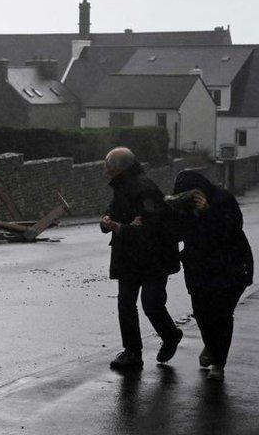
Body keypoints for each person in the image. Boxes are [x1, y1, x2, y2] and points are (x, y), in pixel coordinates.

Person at [100, 147, 183, 370]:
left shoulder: (145, 189)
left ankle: (171, 335)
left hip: (155, 257)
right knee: (125, 303)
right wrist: (107, 221)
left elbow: (150, 228)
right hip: (129, 257)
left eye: (111, 166)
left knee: (152, 304)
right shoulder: (121, 187)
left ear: (122, 168)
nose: (107, 171)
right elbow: (114, 213)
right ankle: (132, 352)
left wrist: (119, 227)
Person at [167, 170, 254, 381]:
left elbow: (232, 229)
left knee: (222, 315)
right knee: (202, 313)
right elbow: (177, 233)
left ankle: (218, 363)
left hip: (230, 266)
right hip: (198, 267)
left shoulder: (223, 199)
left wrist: (208, 211)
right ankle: (212, 345)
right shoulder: (185, 207)